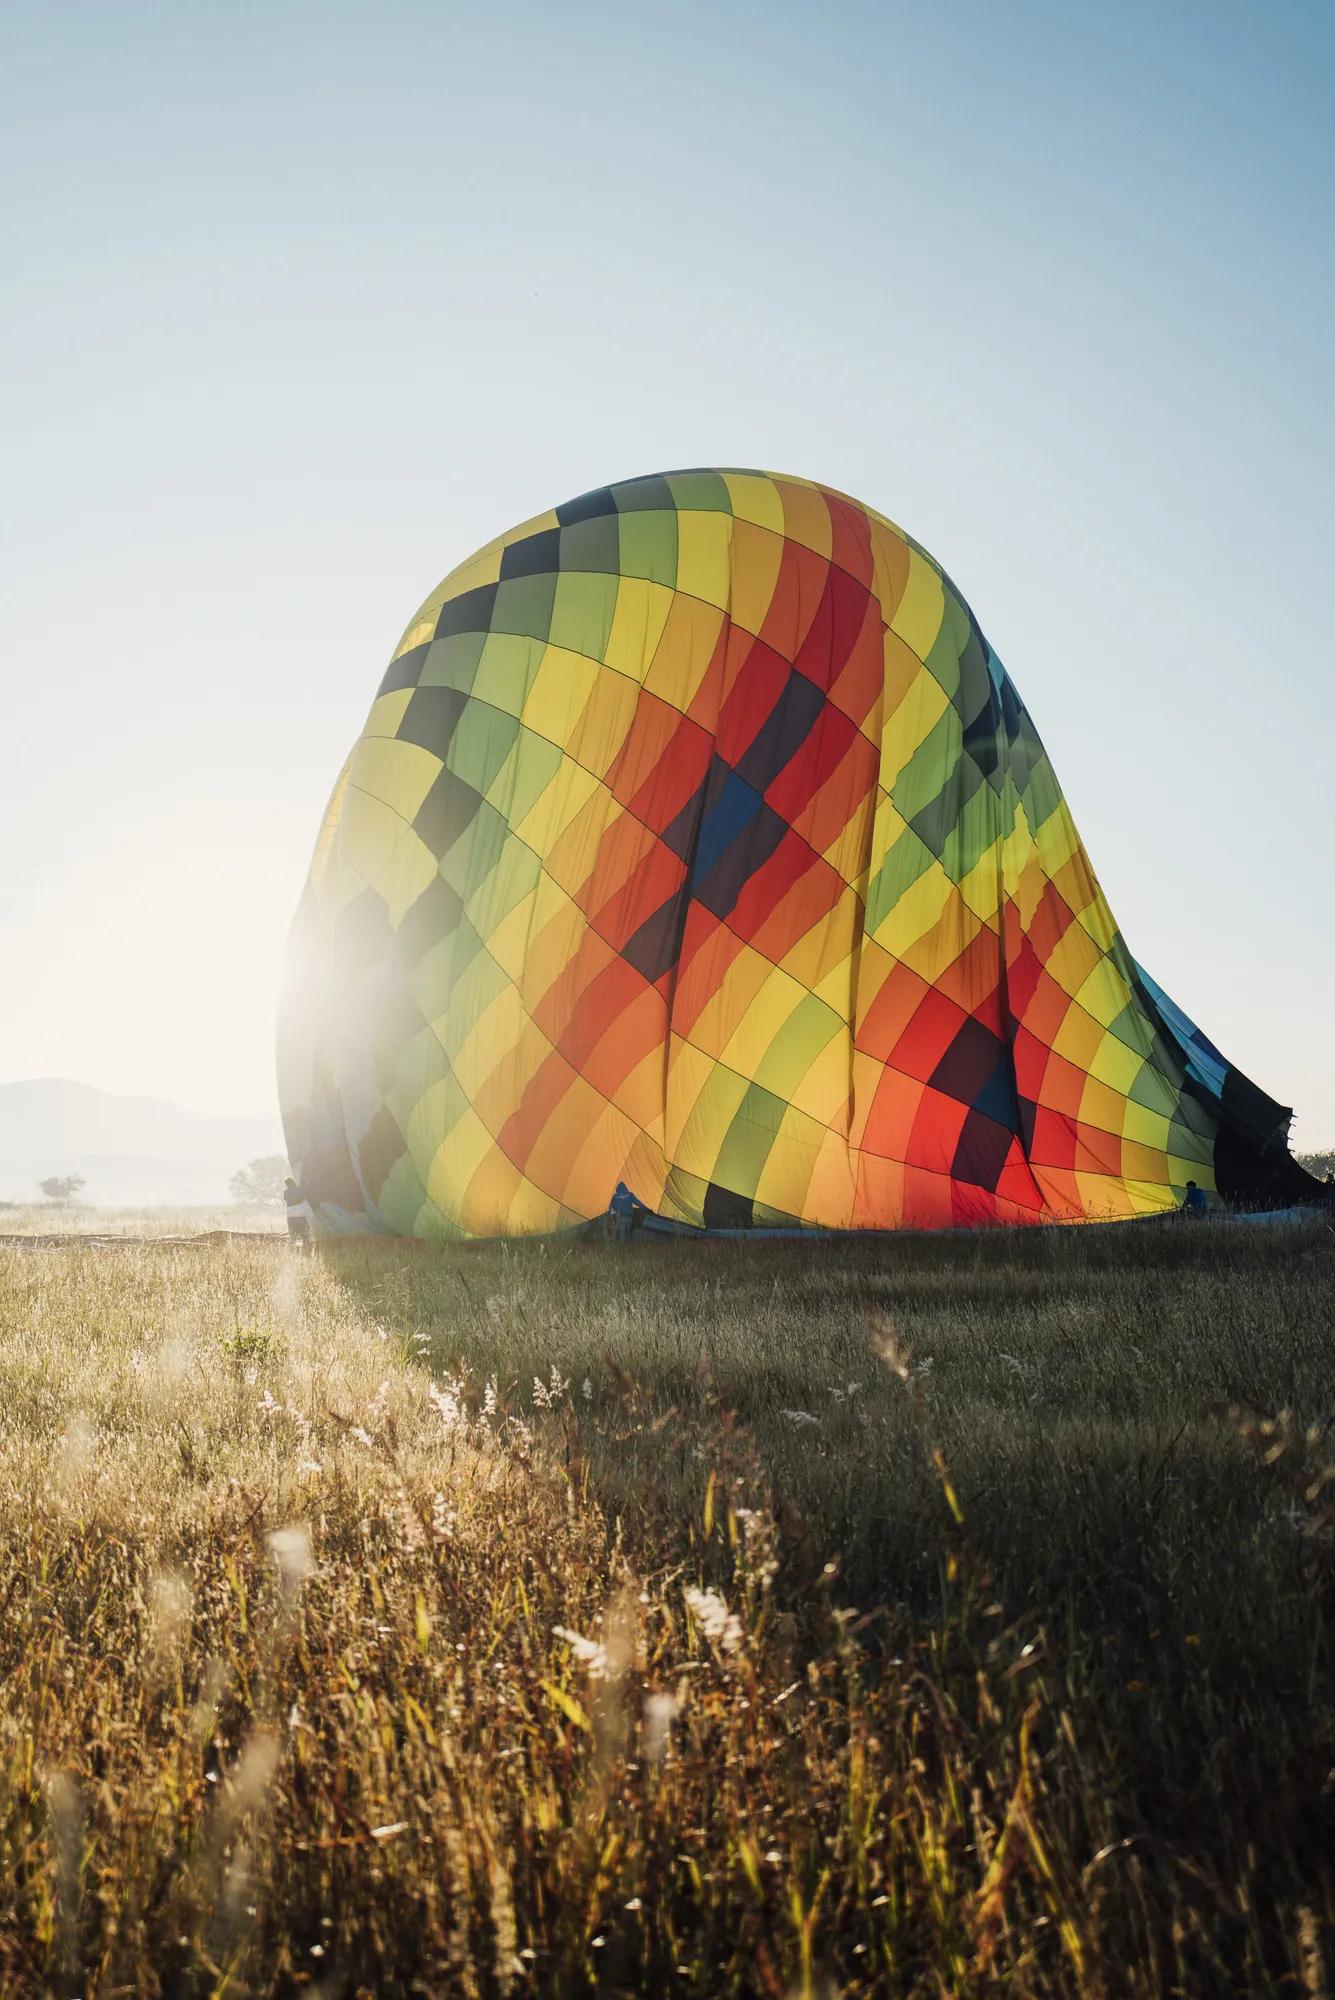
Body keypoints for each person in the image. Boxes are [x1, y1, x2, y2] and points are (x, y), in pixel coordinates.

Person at [284, 1175, 313, 1244]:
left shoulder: (286, 1193)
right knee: (305, 1237)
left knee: (292, 1238)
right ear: (293, 1183)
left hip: (290, 1218)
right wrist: (306, 1185)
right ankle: (307, 1251)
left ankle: (292, 1252)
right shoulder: (300, 1190)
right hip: (301, 1218)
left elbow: (296, 1192)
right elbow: (304, 1191)